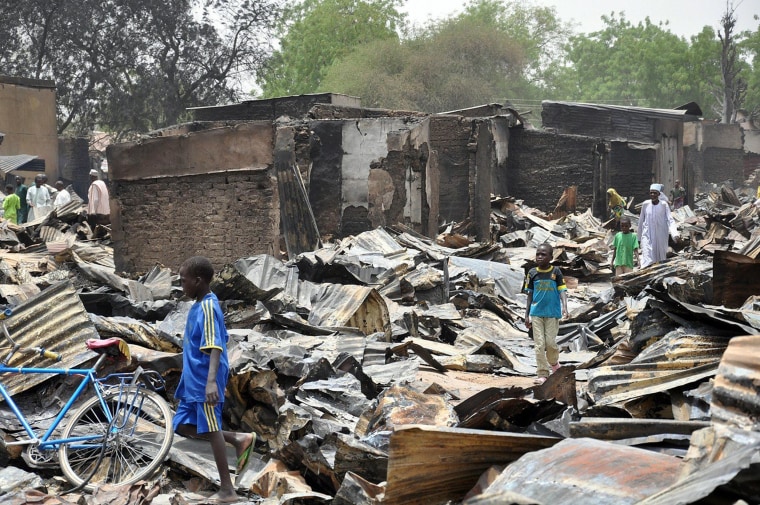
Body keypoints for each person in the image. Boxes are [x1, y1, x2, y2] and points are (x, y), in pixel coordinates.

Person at [174, 256, 257, 504]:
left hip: (204, 379)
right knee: (180, 425)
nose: (181, 286)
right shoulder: (197, 306)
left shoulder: (209, 306)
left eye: (183, 281)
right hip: (193, 379)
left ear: (198, 281)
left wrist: (211, 382)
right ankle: (237, 438)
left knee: (210, 427)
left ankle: (228, 490)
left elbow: (215, 346)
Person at [523, 243, 569, 385]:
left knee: (550, 343)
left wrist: (565, 308)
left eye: (543, 254)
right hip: (536, 313)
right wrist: (526, 315)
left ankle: (554, 364)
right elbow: (529, 295)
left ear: (550, 257)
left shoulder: (556, 271)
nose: (540, 257)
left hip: (552, 313)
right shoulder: (532, 273)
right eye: (538, 254)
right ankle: (543, 373)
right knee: (539, 345)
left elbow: (562, 291)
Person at [638, 183, 679, 268]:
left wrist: (675, 233)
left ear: (659, 194)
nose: (652, 195)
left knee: (660, 259)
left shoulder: (664, 205)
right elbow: (641, 220)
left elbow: (670, 220)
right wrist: (639, 238)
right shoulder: (646, 204)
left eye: (655, 193)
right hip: (647, 235)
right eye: (651, 193)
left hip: (661, 235)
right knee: (647, 257)